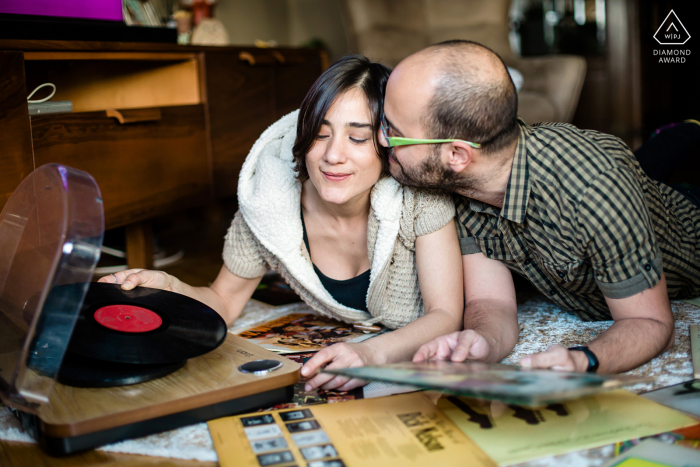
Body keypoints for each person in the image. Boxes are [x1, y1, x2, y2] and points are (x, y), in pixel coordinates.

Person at [101, 55, 463, 391]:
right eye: (320, 134)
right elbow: (223, 300)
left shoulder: (420, 198)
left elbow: (446, 314)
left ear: (387, 143)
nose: (333, 155)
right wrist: (169, 288)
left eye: (357, 138)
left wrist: (369, 354)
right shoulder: (268, 203)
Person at [379, 40, 700, 374]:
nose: (381, 139)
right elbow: (490, 301)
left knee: (657, 169)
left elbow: (650, 322)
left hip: (689, 223)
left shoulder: (594, 189)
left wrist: (582, 359)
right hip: (615, 192)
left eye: (394, 131)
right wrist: (481, 342)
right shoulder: (456, 185)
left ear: (457, 155)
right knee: (646, 166)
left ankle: (684, 132)